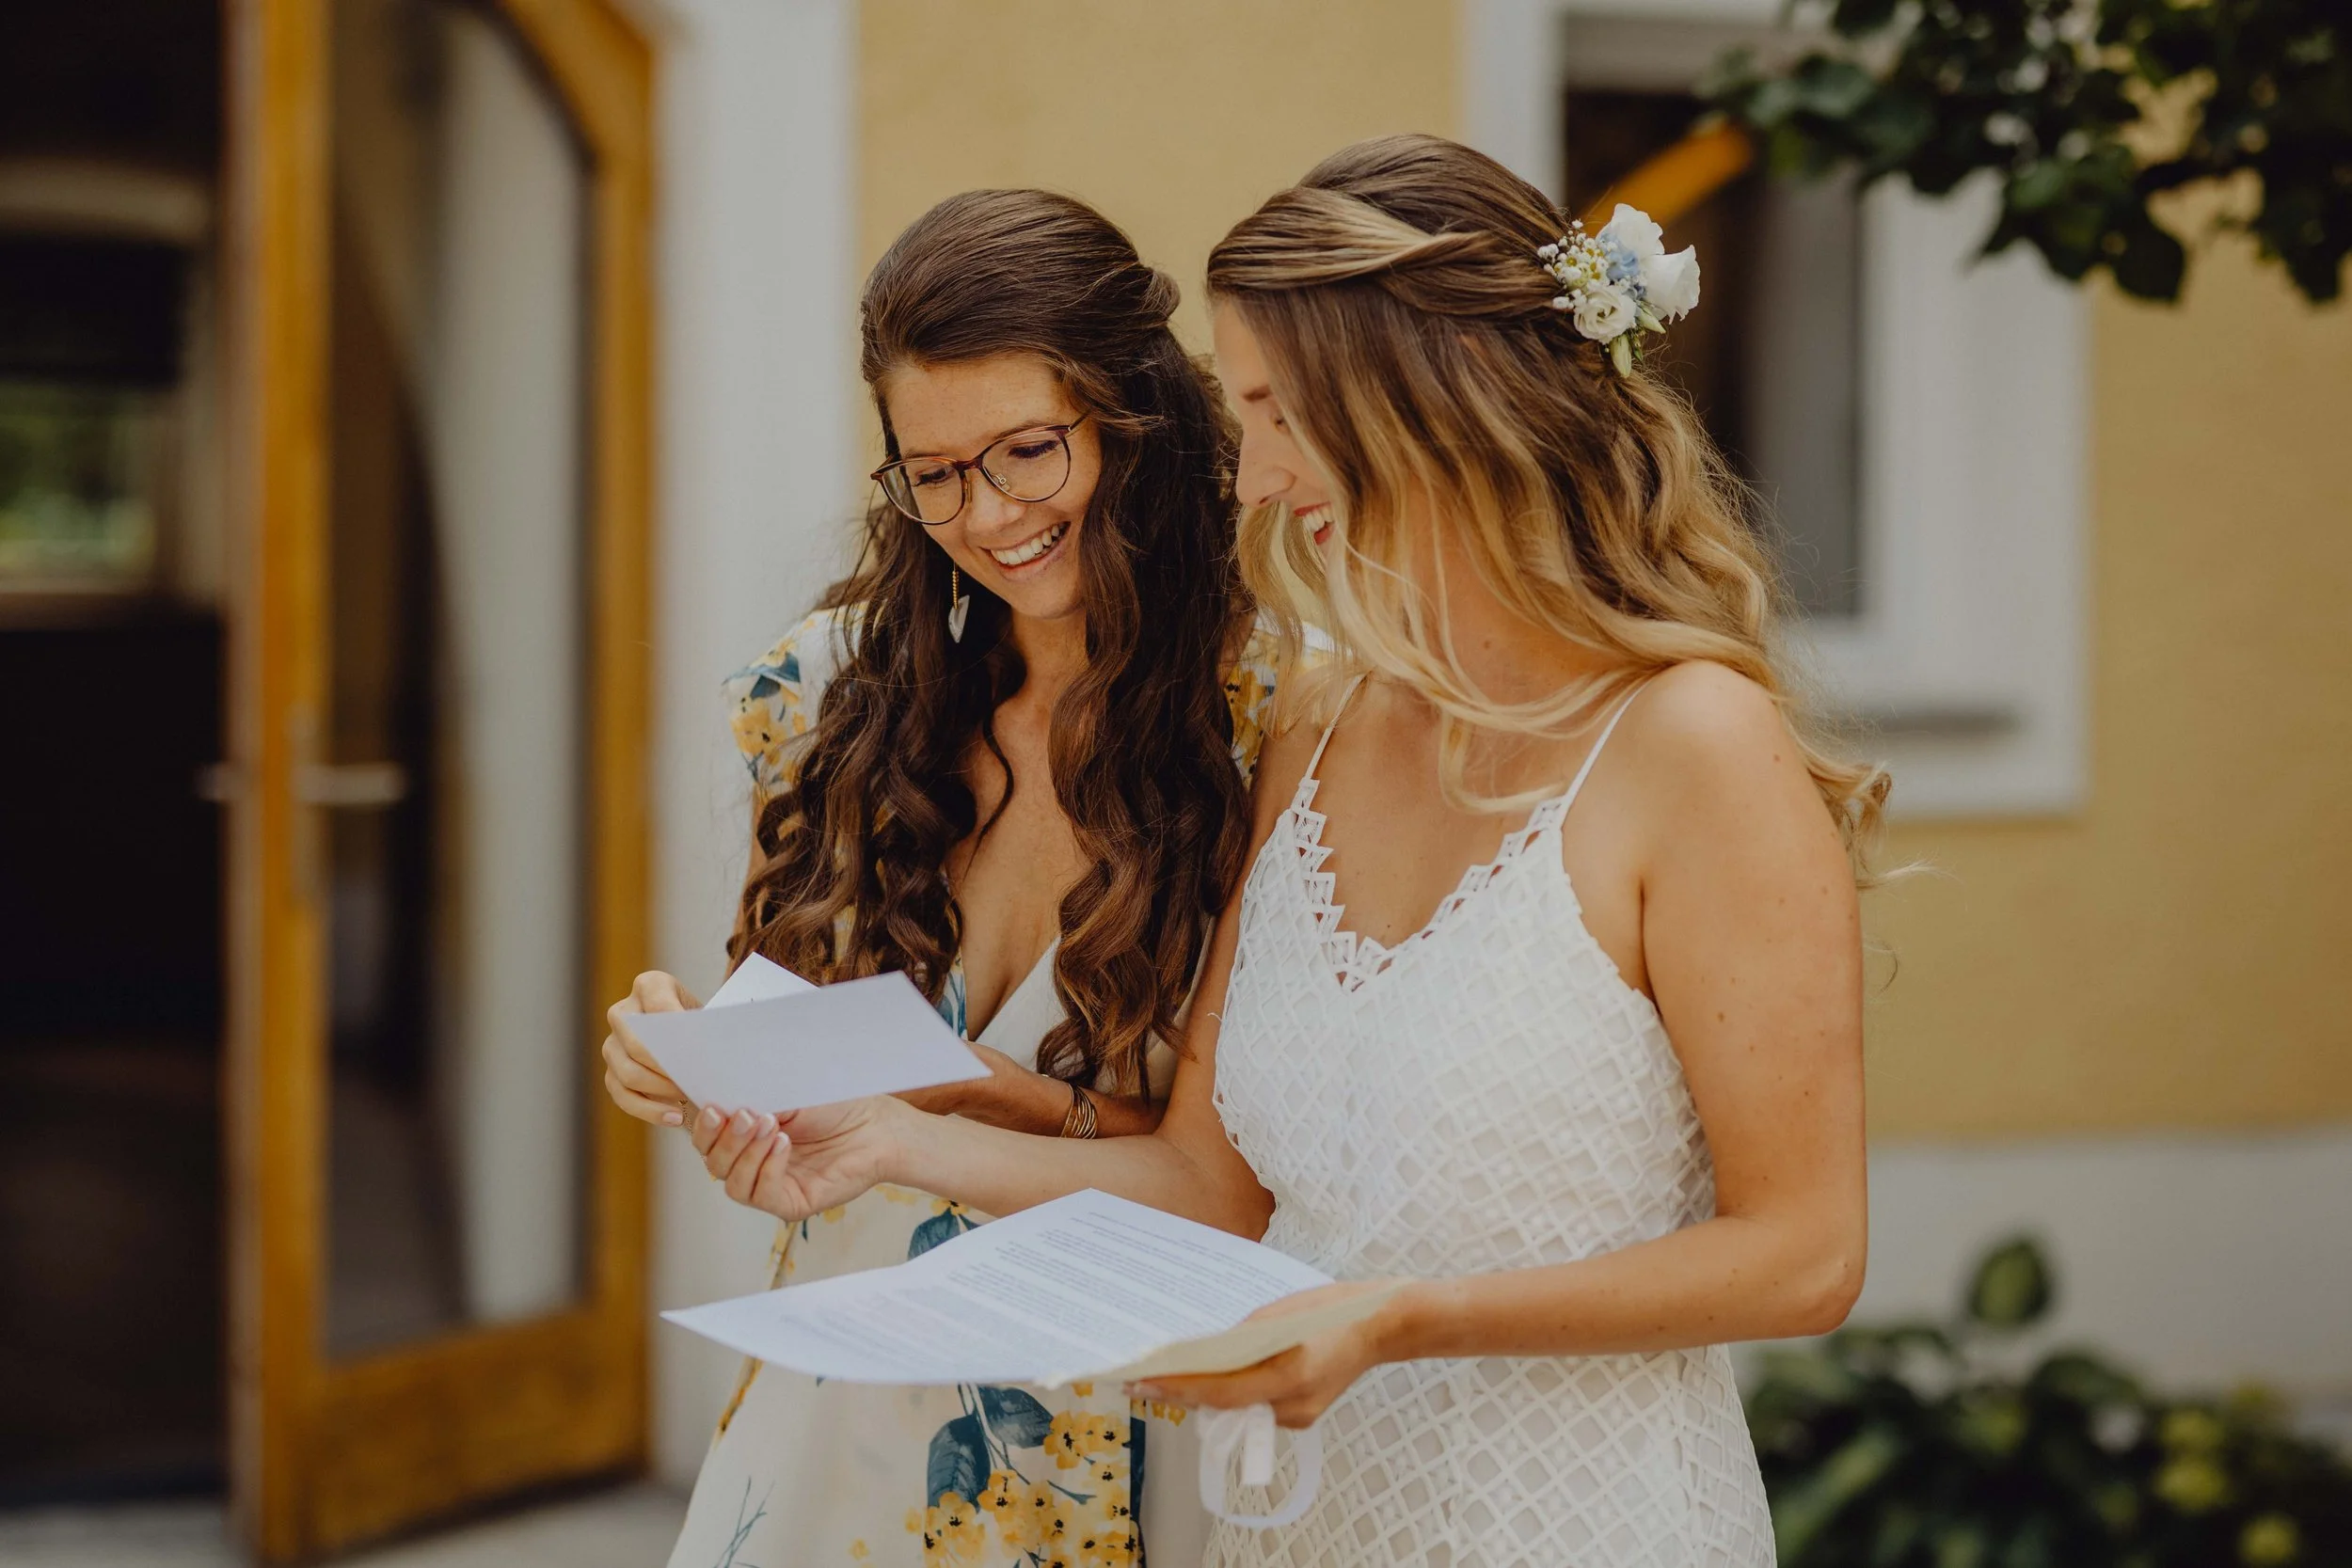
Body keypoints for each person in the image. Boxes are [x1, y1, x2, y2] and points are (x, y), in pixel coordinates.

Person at [672, 135, 1888, 1568]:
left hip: (1571, 1519)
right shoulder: (1323, 731)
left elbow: (1807, 1253)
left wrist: (1397, 1318)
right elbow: (1209, 1181)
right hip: (1299, 1528)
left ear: (1422, 409)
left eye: (1276, 416)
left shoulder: (1693, 745)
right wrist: (883, 1134)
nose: (1244, 477)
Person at [602, 188, 1309, 1568]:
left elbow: (1230, 1180)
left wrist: (931, 1091)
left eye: (1028, 452)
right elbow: (807, 1099)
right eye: (933, 473)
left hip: (1109, 1431)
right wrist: (698, 1063)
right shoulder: (821, 697)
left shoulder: (1270, 718)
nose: (985, 514)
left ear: (1134, 418)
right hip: (825, 1413)